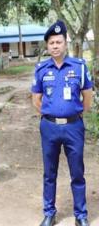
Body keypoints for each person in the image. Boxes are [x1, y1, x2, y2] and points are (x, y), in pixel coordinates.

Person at [31, 20, 92, 226]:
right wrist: (50, 115)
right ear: (47, 46)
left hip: (74, 127)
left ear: (65, 44)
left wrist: (72, 116)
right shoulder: (41, 69)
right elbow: (36, 99)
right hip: (49, 127)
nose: (55, 46)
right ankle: (49, 212)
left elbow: (88, 98)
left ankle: (81, 215)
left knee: (77, 172)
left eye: (59, 42)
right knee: (49, 172)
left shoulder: (79, 67)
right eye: (51, 43)